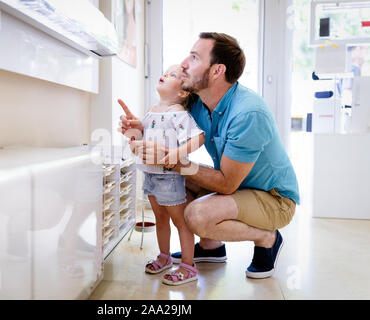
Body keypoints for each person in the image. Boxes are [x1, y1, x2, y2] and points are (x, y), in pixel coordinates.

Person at [119, 32, 300, 279]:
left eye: (194, 57)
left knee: (196, 213)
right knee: (177, 179)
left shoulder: (247, 113)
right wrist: (139, 127)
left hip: (274, 199)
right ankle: (210, 247)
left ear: (217, 71)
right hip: (240, 187)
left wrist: (170, 159)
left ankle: (267, 237)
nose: (183, 63)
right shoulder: (197, 102)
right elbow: (166, 121)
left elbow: (226, 183)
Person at [121, 64, 205, 285]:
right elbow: (145, 136)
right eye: (166, 72)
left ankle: (188, 266)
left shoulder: (177, 113)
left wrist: (177, 153)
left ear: (183, 92)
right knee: (159, 218)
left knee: (180, 221)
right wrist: (134, 134)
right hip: (150, 175)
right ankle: (165, 257)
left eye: (173, 75)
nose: (165, 75)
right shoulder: (152, 111)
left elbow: (198, 137)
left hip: (169, 176)